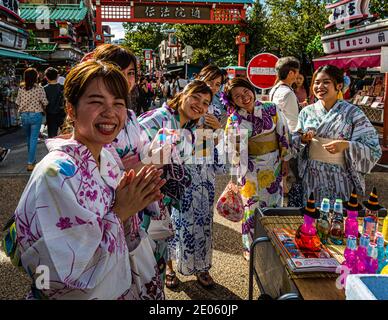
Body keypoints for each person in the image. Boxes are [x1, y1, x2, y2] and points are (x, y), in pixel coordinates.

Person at [14, 60, 166, 300]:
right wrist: (121, 212)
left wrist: (139, 198)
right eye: (96, 101)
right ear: (71, 109)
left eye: (118, 103)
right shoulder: (56, 173)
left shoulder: (106, 155)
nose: (110, 112)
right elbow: (63, 268)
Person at [138, 80, 213, 288]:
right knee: (141, 257)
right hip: (141, 199)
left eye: (205, 103)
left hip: (162, 200)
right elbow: (130, 150)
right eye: (196, 97)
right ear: (182, 94)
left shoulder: (189, 128)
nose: (200, 105)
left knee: (156, 254)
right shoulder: (157, 118)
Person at [293, 64, 382, 206]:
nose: (320, 86)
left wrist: (346, 145)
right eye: (316, 82)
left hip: (340, 176)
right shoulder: (306, 112)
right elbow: (295, 139)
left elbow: (373, 147)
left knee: (337, 220)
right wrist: (303, 139)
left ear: (339, 86)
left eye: (326, 82)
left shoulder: (353, 113)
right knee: (311, 216)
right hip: (312, 174)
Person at [224, 77, 291, 261]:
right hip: (250, 169)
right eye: (237, 96)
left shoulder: (271, 108)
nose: (244, 97)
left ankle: (274, 242)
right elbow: (233, 150)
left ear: (251, 89)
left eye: (246, 91)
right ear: (233, 101)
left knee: (274, 204)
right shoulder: (234, 120)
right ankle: (250, 246)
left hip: (273, 164)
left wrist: (285, 160)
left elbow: (283, 134)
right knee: (250, 208)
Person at [16, 68, 48, 171]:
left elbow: (17, 102)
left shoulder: (21, 89)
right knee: (33, 139)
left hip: (24, 115)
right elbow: (45, 102)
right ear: (35, 77)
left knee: (29, 138)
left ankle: (32, 160)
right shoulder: (39, 88)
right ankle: (30, 163)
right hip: (35, 115)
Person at [269, 56, 300, 132]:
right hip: (287, 135)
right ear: (291, 73)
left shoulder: (274, 89)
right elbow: (292, 121)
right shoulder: (288, 93)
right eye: (297, 72)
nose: (298, 75)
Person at [43, 67, 65, 138]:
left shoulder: (44, 89)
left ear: (46, 77)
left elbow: (43, 104)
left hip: (50, 115)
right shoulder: (63, 87)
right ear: (57, 76)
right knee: (66, 135)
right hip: (62, 114)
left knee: (52, 137)